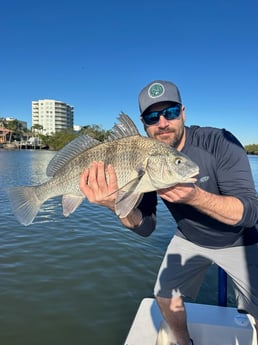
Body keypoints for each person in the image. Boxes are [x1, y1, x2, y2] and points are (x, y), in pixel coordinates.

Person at [79, 80, 258, 345]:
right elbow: (146, 226)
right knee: (163, 296)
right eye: (153, 117)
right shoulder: (148, 156)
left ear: (183, 112)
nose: (162, 122)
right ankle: (184, 342)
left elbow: (251, 212)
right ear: (144, 123)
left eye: (170, 112)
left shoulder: (219, 141)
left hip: (240, 239)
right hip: (189, 237)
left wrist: (196, 196)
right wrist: (113, 205)